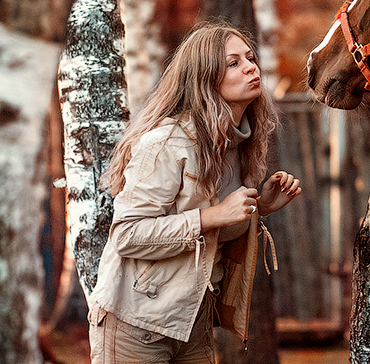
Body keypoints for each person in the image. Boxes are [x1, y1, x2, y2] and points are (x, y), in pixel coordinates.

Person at [87, 22, 302, 364]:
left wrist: (260, 207)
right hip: (135, 322)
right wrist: (213, 215)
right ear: (205, 78)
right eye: (233, 63)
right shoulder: (167, 143)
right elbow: (127, 235)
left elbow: (218, 227)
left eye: (250, 58)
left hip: (192, 320)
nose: (251, 67)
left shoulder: (241, 145)